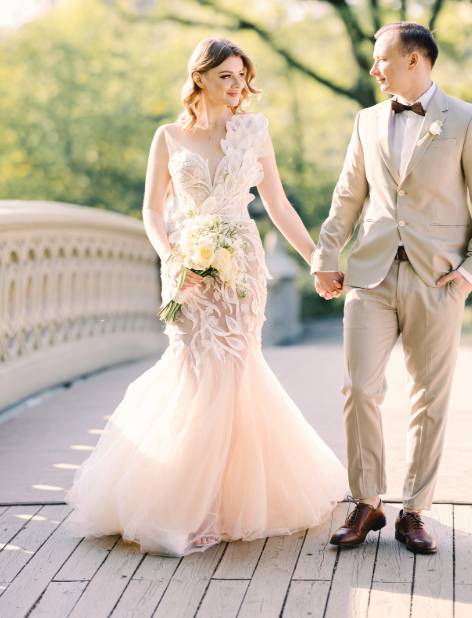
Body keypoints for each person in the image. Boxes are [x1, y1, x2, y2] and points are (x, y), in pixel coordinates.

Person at [66, 36, 348, 556]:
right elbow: (152, 210)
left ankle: (219, 503)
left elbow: (278, 205)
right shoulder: (168, 136)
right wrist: (171, 255)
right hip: (188, 268)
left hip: (242, 265)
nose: (237, 86)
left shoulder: (254, 133)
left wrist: (317, 259)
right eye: (226, 77)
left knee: (235, 370)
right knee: (197, 370)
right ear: (199, 77)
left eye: (242, 77)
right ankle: (184, 502)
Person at [312, 22, 472, 554]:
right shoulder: (368, 120)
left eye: (382, 58)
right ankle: (367, 502)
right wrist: (326, 257)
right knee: (358, 388)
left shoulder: (467, 119)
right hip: (369, 276)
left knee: (430, 398)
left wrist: (471, 271)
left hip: (437, 278)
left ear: (415, 59)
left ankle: (415, 512)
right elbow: (347, 196)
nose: (374, 68)